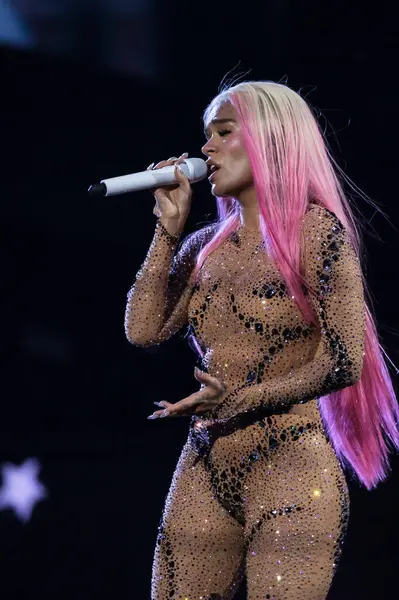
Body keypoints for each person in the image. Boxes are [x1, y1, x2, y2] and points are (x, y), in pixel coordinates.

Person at [124, 81, 399, 600]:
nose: (205, 149)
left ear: (270, 140)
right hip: (205, 462)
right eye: (205, 135)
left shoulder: (317, 234)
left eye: (222, 133)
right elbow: (142, 330)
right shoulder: (204, 248)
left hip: (292, 466)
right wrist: (167, 233)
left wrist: (242, 399)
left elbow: (343, 361)